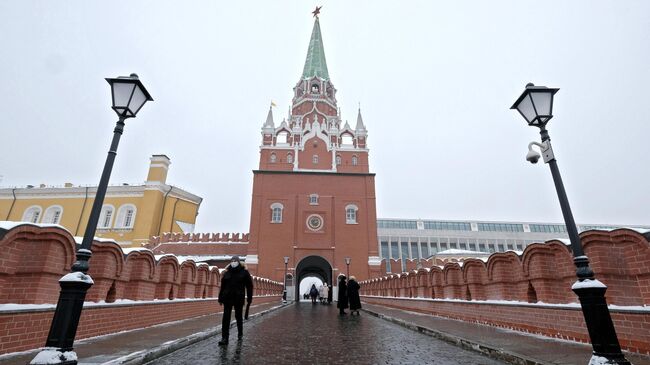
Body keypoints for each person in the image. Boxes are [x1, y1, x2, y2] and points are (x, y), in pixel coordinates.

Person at [217, 255, 253, 346]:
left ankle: (240, 334)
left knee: (238, 316)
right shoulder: (227, 272)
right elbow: (223, 286)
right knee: (226, 318)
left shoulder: (244, 272)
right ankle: (224, 338)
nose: (233, 262)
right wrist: (220, 297)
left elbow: (249, 286)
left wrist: (249, 298)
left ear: (238, 261)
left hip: (238, 298)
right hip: (227, 298)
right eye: (232, 261)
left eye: (235, 261)